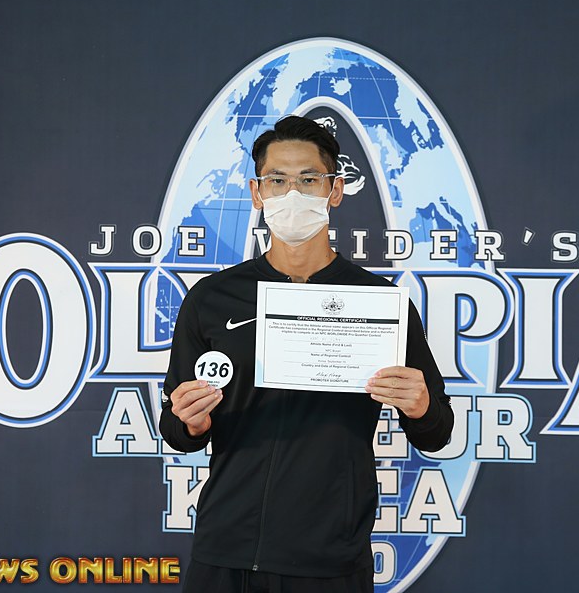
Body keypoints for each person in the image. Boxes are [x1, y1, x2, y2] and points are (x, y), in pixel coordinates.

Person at [159, 115, 453, 593]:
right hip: (226, 551)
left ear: (335, 190)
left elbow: (438, 432)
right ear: (257, 193)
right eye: (277, 180)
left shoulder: (382, 304)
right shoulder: (212, 299)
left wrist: (420, 407)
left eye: (309, 180)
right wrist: (190, 422)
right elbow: (175, 430)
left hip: (330, 560)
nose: (292, 194)